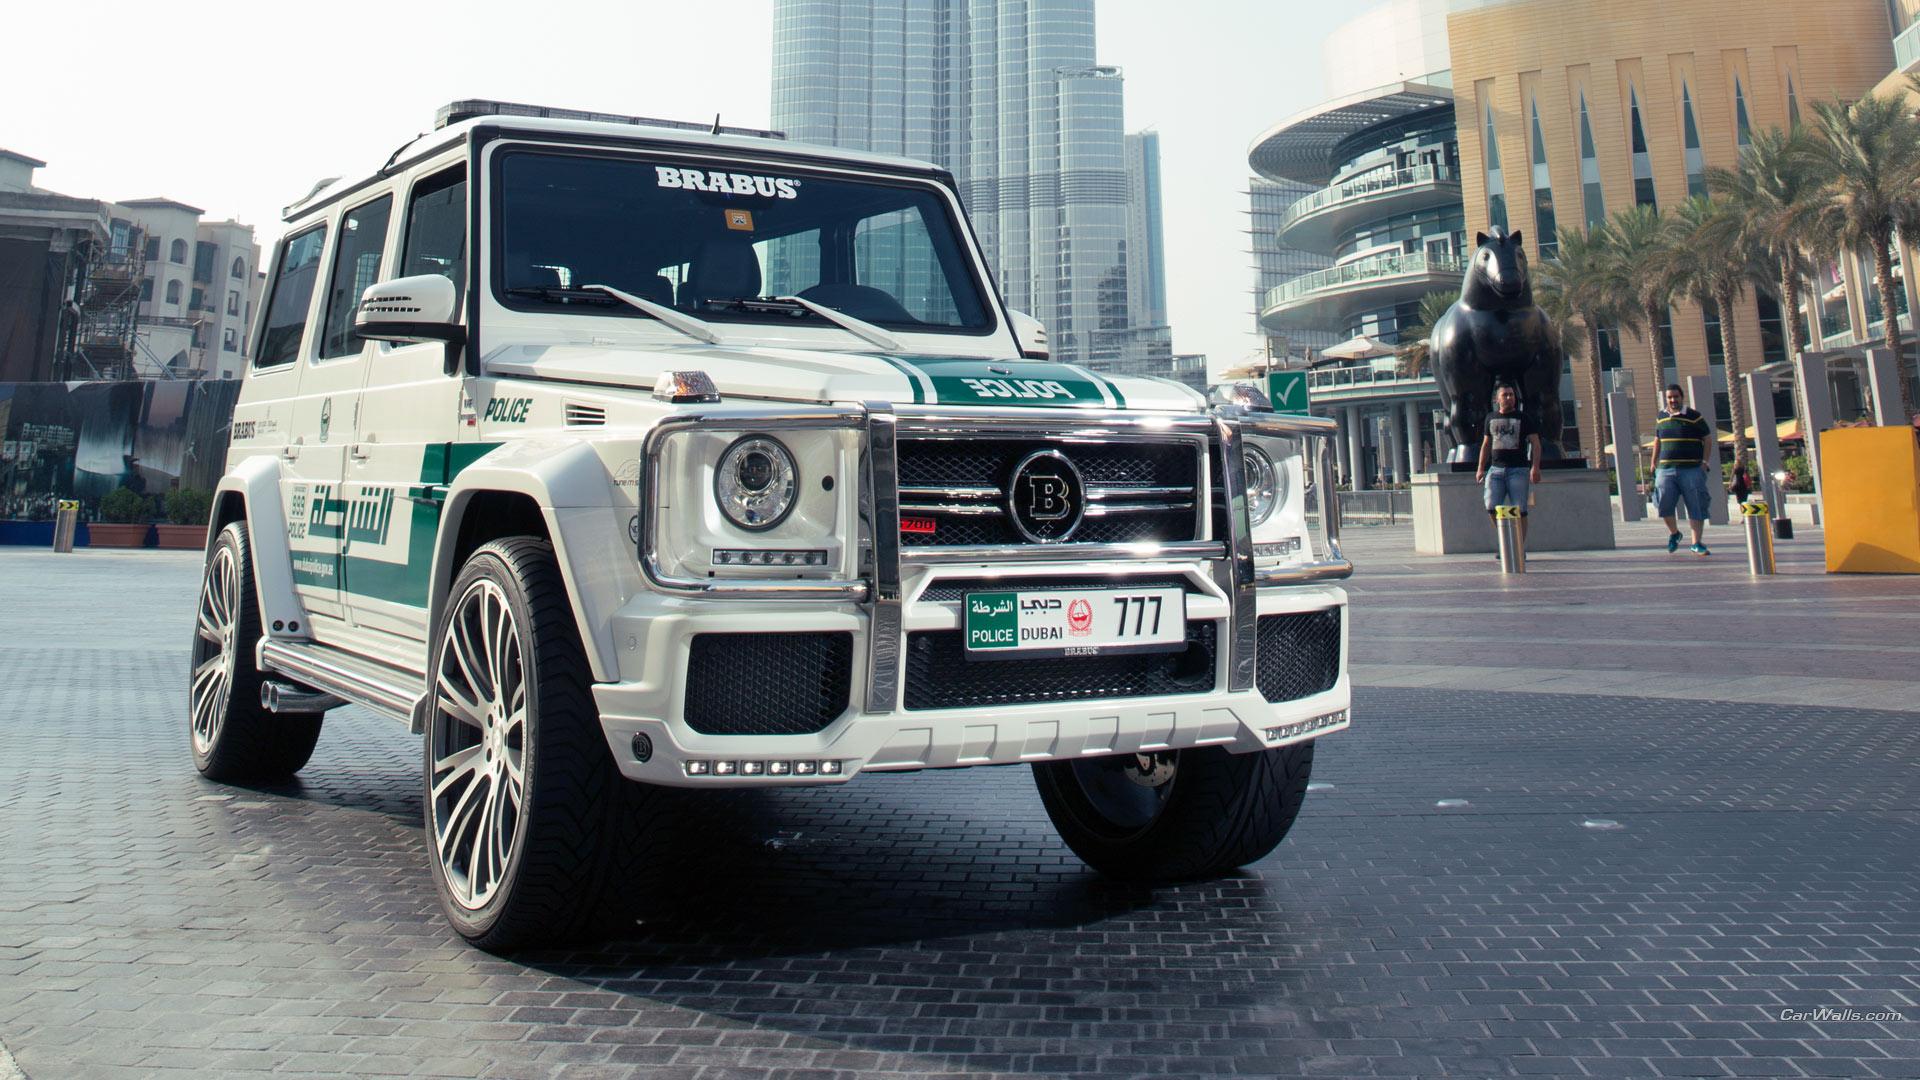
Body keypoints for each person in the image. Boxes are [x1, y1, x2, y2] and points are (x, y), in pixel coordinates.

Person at [1475, 383, 1542, 550]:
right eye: (1505, 395)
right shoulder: (1490, 418)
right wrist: (1480, 468)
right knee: (1491, 505)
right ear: (1497, 399)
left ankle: (1518, 548)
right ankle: (1506, 541)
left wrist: (1535, 467)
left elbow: (1536, 443)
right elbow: (1486, 444)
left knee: (1520, 510)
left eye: (1511, 394)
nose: (1509, 397)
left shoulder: (1524, 418)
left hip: (1518, 470)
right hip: (1495, 470)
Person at [1652, 384, 1713, 555]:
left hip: (1691, 469)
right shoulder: (1661, 416)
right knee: (1663, 504)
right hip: (1665, 469)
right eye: (1670, 397)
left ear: (1682, 397)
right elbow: (1658, 440)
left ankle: (1696, 543)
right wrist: (1653, 462)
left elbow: (1707, 438)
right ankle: (1674, 533)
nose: (1673, 400)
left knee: (1696, 505)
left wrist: (1704, 462)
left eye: (1676, 396)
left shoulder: (1694, 416)